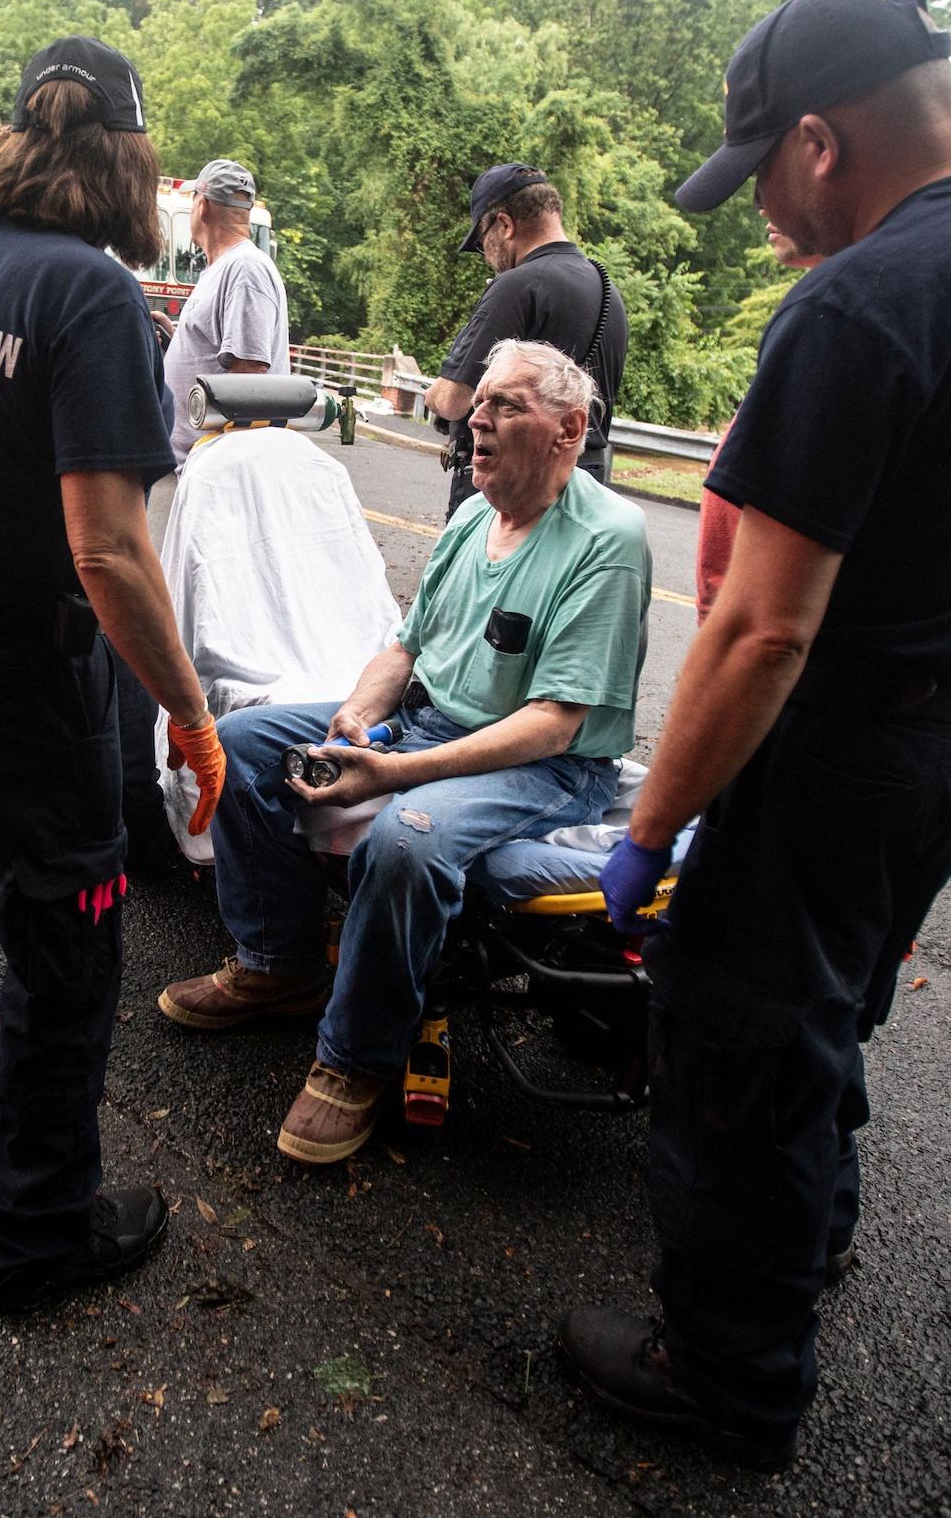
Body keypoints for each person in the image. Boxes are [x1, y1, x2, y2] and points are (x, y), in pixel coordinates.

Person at [558, 0, 951, 1469]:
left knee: (739, 1035)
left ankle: (729, 1377)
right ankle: (809, 1239)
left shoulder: (866, 300)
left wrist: (653, 834)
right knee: (827, 991)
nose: (765, 205)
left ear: (823, 142)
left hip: (859, 738)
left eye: (765, 168)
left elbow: (762, 627)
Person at [0, 36, 227, 1315]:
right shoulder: (90, 294)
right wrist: (187, 707)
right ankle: (37, 1230)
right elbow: (111, 548)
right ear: (127, 159)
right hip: (12, 646)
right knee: (68, 926)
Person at [159, 338, 652, 1165]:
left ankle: (356, 1057)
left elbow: (556, 723)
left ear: (570, 429)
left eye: (505, 407)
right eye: (479, 402)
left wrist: (395, 773)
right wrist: (356, 714)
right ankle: (279, 964)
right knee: (242, 742)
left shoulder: (609, 537)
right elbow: (405, 647)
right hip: (430, 724)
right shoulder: (472, 516)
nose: (476, 420)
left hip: (540, 766)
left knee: (407, 835)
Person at [425, 164, 628, 517]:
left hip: (511, 487)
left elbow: (455, 399)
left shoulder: (517, 286)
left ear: (504, 225)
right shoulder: (608, 290)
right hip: (585, 484)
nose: (486, 257)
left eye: (480, 243)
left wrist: (432, 396)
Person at [695, 220, 822, 621]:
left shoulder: (836, 314)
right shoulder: (812, 306)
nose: (763, 205)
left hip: (757, 623)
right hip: (733, 608)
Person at [155, 158, 290, 469]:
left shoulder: (245, 269)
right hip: (193, 463)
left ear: (203, 207)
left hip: (208, 468)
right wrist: (176, 342)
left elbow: (249, 378)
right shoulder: (224, 268)